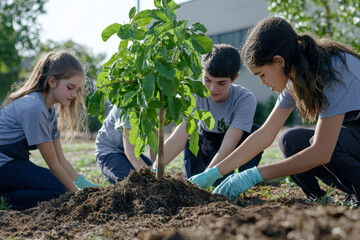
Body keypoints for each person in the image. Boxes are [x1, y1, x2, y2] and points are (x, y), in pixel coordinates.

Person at [189, 17, 360, 205]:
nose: (263, 83)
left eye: (262, 75)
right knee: (289, 140)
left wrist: (254, 175)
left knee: (324, 144)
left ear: (279, 60)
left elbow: (321, 152)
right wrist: (214, 172)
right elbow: (265, 133)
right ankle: (320, 198)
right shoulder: (296, 75)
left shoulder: (336, 71)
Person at [0, 50, 98, 210]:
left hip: (12, 164)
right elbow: (53, 165)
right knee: (57, 190)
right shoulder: (34, 108)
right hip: (4, 164)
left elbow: (60, 160)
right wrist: (79, 198)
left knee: (57, 186)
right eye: (70, 87)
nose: (74, 94)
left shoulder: (49, 111)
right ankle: (4, 199)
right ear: (52, 82)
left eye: (77, 89)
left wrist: (84, 184)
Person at [153, 43, 262, 186]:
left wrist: (210, 173)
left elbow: (230, 142)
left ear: (234, 78)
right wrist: (155, 168)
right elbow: (179, 138)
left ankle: (244, 183)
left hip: (230, 144)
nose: (212, 88)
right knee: (194, 180)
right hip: (204, 141)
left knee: (254, 132)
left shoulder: (245, 99)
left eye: (221, 83)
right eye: (207, 80)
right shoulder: (196, 94)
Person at [95, 104, 154, 184]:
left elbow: (154, 145)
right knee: (130, 182)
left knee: (150, 168)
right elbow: (130, 151)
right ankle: (110, 174)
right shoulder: (129, 106)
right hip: (109, 152)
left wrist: (156, 168)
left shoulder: (153, 107)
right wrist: (150, 176)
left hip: (126, 151)